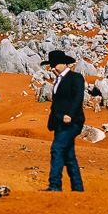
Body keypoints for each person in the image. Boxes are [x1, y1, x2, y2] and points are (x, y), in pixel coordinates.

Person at [40, 49, 85, 192]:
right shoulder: (57, 81)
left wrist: (70, 114)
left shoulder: (75, 78)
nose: (52, 68)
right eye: (51, 65)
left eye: (54, 65)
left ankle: (54, 185)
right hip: (59, 123)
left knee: (57, 149)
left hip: (71, 122)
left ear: (65, 64)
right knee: (68, 155)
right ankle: (78, 189)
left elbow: (78, 98)